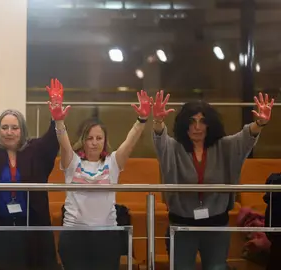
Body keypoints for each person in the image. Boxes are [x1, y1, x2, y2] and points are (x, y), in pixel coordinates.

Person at [152, 90, 274, 270]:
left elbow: (245, 138)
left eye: (202, 121)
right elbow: (161, 140)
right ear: (184, 125)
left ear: (210, 125)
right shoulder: (174, 148)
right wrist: (158, 122)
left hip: (216, 226)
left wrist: (260, 123)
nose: (197, 127)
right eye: (192, 122)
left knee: (217, 267)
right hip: (182, 227)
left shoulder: (224, 146)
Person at [50, 79, 150, 270]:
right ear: (83, 140)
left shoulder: (112, 163)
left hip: (107, 235)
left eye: (99, 138)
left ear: (105, 141)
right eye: (90, 138)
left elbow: (129, 143)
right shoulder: (73, 163)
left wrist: (141, 121)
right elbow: (63, 142)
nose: (94, 142)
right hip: (74, 235)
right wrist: (59, 120)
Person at [0, 78, 60, 270]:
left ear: (22, 131)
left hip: (28, 231)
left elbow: (51, 141)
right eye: (4, 128)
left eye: (15, 128)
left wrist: (56, 115)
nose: (9, 132)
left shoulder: (35, 150)